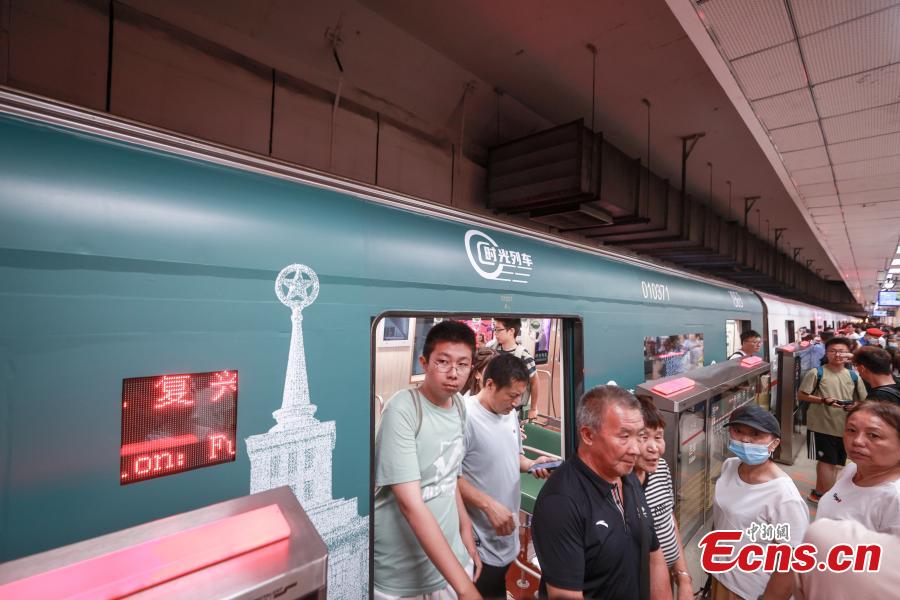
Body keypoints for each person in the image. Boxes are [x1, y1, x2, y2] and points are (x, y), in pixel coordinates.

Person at [374, 320, 482, 600]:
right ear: (424, 362)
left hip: (451, 559)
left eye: (462, 364)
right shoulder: (403, 410)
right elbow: (410, 505)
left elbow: (449, 477)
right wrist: (465, 587)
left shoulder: (459, 405)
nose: (453, 373)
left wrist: (465, 529)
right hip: (402, 572)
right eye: (443, 362)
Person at [531, 386, 670, 600]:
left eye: (639, 436)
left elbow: (653, 556)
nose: (635, 449)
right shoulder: (561, 504)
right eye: (624, 436)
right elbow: (565, 595)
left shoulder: (628, 476)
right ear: (588, 435)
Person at [459, 353, 555, 598]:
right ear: (488, 384)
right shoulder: (463, 417)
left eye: (519, 397)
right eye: (511, 396)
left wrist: (532, 464)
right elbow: (449, 478)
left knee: (497, 587)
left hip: (505, 531)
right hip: (478, 537)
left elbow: (514, 457)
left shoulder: (509, 413)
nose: (516, 403)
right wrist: (488, 505)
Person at [710, 404, 809, 600]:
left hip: (750, 590)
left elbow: (792, 562)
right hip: (719, 575)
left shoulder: (783, 496)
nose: (745, 440)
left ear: (774, 443)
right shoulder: (730, 466)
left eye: (756, 434)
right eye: (738, 431)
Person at [633, 397, 692, 600]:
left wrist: (683, 578)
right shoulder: (617, 488)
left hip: (667, 577)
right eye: (643, 437)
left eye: (658, 437)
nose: (654, 447)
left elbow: (669, 520)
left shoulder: (661, 469)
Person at [797, 336, 867, 504]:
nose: (837, 355)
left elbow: (863, 400)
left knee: (834, 463)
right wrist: (822, 400)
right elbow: (801, 395)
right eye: (833, 351)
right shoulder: (817, 373)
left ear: (848, 354)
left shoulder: (853, 375)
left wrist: (854, 405)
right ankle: (825, 496)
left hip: (844, 427)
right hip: (821, 424)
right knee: (826, 461)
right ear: (826, 353)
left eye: (842, 352)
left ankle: (821, 492)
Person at [816, 400, 900, 534]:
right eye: (851, 430)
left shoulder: (895, 499)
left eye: (873, 435)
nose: (857, 441)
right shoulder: (852, 469)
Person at [493, 318, 540, 420]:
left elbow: (534, 381)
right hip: (493, 407)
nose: (495, 333)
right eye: (494, 329)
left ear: (511, 331)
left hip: (512, 410)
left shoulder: (524, 356)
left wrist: (533, 408)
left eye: (498, 330)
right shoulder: (493, 350)